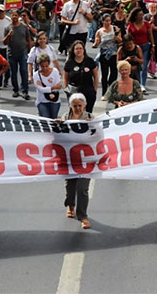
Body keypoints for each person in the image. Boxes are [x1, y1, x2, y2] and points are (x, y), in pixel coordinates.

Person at [58, 93, 93, 229]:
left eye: (80, 105)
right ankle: (70, 205)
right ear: (70, 106)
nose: (78, 108)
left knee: (82, 188)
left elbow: (99, 136)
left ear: (84, 105)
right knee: (70, 186)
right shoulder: (65, 117)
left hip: (86, 159)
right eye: (75, 106)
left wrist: (92, 126)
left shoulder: (91, 118)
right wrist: (58, 125)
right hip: (70, 158)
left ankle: (83, 216)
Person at [4, 9, 33, 100]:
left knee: (24, 71)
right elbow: (4, 42)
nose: (14, 17)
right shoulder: (7, 28)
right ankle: (15, 90)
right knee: (13, 73)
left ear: (18, 16)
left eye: (16, 15)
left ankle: (25, 91)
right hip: (12, 54)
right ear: (10, 16)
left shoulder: (24, 27)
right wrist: (9, 35)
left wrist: (30, 51)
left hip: (22, 52)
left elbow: (29, 39)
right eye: (13, 15)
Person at [62, 41, 99, 113]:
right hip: (74, 91)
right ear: (73, 51)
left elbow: (96, 76)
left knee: (88, 112)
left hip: (88, 90)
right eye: (76, 49)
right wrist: (66, 89)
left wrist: (95, 89)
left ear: (83, 50)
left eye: (80, 48)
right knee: (75, 112)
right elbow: (65, 78)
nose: (78, 50)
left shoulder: (90, 61)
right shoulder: (69, 63)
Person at [127, 8, 154, 94]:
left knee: (144, 65)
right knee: (135, 66)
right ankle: (135, 83)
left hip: (145, 47)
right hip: (135, 48)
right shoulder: (131, 25)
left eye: (142, 14)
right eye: (140, 15)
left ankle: (142, 84)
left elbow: (150, 34)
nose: (142, 16)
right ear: (135, 16)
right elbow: (128, 37)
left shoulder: (146, 24)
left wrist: (153, 45)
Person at [94, 13, 121, 97]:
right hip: (104, 54)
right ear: (102, 21)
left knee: (114, 73)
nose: (108, 22)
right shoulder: (99, 31)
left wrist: (117, 38)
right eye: (106, 21)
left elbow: (120, 40)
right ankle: (104, 92)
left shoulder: (115, 28)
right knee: (104, 73)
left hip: (113, 54)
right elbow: (96, 43)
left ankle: (111, 89)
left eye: (109, 21)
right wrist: (96, 43)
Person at [34, 53, 62, 119]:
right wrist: (53, 87)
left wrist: (46, 88)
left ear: (49, 63)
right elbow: (41, 89)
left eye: (46, 66)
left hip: (55, 100)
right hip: (42, 101)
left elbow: (59, 87)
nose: (45, 68)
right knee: (46, 119)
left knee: (53, 119)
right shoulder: (36, 75)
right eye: (42, 66)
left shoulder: (55, 71)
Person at [145, 3, 157, 80]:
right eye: (151, 7)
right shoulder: (145, 17)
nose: (153, 9)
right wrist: (149, 23)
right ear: (148, 8)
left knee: (156, 56)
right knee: (146, 57)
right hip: (146, 40)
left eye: (154, 7)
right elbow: (143, 27)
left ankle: (151, 69)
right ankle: (148, 71)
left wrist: (154, 27)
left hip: (155, 40)